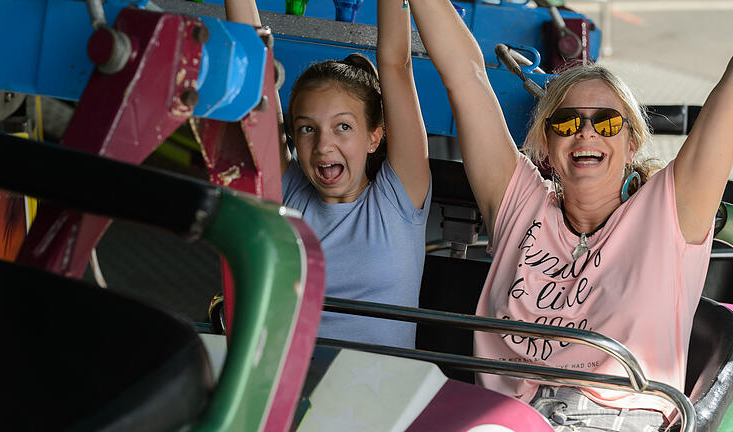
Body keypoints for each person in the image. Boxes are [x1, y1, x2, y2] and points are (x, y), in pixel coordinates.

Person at [409, 0, 733, 429]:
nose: (585, 131)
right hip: (502, 419)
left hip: (614, 417)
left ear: (632, 143)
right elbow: (465, 75)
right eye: (566, 123)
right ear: (545, 146)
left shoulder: (671, 210)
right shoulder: (520, 206)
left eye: (606, 123)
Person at [227, 0, 431, 349]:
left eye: (343, 127)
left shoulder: (399, 199)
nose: (323, 145)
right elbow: (253, 59)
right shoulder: (287, 192)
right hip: (292, 385)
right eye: (307, 129)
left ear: (373, 136)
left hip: (380, 392)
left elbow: (396, 64)